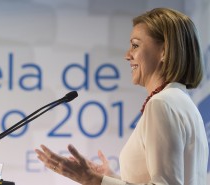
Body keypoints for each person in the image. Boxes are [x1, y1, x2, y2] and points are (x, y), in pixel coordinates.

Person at [35, 7, 209, 185]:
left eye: (135, 45)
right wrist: (109, 178)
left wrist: (92, 179)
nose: (127, 55)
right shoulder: (185, 104)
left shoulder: (161, 104)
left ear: (164, 51)